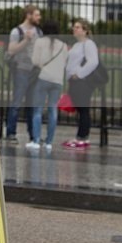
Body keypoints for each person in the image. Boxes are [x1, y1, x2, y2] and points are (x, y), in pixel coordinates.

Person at [27, 21, 69, 151]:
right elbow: (65, 62)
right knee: (53, 110)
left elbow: (35, 61)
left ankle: (36, 140)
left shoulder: (40, 42)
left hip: (43, 77)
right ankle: (49, 142)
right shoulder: (63, 45)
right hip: (57, 80)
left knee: (38, 110)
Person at [4, 4, 43, 143]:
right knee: (17, 102)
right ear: (29, 15)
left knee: (32, 104)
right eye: (37, 15)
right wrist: (26, 40)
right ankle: (10, 132)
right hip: (21, 69)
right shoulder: (17, 31)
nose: (39, 17)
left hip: (35, 71)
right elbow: (11, 50)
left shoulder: (38, 31)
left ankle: (33, 134)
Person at [63, 17, 98, 149]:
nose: (74, 29)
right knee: (79, 108)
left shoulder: (88, 44)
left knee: (83, 109)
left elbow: (93, 61)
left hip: (82, 81)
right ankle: (80, 136)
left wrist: (80, 73)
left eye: (77, 27)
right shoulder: (77, 45)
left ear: (85, 31)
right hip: (74, 80)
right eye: (74, 27)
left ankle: (83, 137)